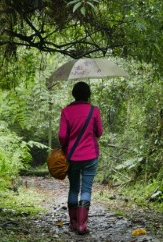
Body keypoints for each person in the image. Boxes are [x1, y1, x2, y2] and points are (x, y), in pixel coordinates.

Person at [58, 81, 103, 235]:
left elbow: (62, 136)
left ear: (74, 94)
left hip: (72, 156)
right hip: (90, 155)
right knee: (86, 189)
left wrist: (66, 145)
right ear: (88, 95)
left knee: (74, 188)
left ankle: (73, 223)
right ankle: (82, 226)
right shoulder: (94, 110)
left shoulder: (66, 111)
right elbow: (99, 132)